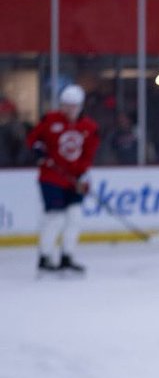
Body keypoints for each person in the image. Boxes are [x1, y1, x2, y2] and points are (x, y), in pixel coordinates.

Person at [26, 84, 99, 275]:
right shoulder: (50, 120)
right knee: (55, 217)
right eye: (66, 105)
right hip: (51, 177)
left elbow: (88, 155)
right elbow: (33, 139)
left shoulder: (89, 127)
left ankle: (67, 257)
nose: (69, 109)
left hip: (73, 179)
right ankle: (45, 257)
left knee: (75, 217)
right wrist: (38, 150)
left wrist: (83, 176)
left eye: (73, 106)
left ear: (80, 106)